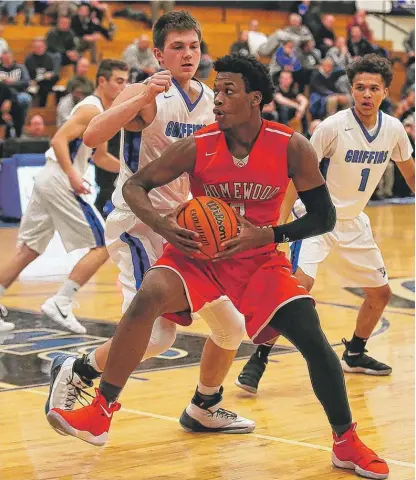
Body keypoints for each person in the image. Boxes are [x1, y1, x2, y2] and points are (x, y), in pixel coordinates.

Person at [47, 53, 389, 480]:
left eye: (228, 91)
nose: (218, 99)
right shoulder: (199, 144)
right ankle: (100, 412)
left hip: (258, 258)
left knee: (312, 335)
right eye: (218, 90)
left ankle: (345, 441)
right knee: (149, 296)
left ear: (255, 98)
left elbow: (324, 218)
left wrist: (268, 235)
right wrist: (165, 228)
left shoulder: (290, 145)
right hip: (199, 254)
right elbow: (136, 185)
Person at [44, 11, 253, 436]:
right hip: (138, 223)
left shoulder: (209, 100)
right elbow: (92, 136)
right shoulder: (149, 92)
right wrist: (137, 99)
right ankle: (79, 369)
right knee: (157, 337)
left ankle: (204, 405)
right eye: (177, 47)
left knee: (232, 327)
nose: (188, 54)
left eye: (193, 46)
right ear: (159, 54)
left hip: (184, 224)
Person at [237, 54, 415, 393]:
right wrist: (278, 224)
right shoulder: (332, 127)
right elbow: (294, 176)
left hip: (354, 222)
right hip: (317, 220)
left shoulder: (393, 129)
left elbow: (410, 174)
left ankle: (356, 353)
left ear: (385, 92)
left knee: (380, 293)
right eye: (360, 87)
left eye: (373, 88)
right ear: (350, 90)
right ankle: (259, 356)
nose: (366, 94)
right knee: (296, 289)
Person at [0, 59, 128, 334]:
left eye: (126, 81)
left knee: (30, 248)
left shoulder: (102, 112)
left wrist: (133, 172)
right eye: (119, 80)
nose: (123, 86)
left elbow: (101, 157)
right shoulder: (91, 109)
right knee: (102, 245)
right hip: (60, 176)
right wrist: (72, 175)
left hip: (49, 177)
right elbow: (57, 140)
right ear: (102, 81)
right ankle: (62, 302)